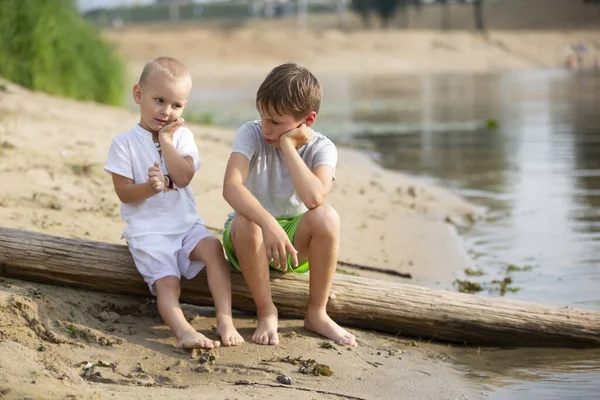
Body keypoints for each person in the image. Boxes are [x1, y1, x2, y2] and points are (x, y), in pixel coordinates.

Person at [104, 57, 243, 349]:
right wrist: (149, 188)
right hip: (149, 231)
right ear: (138, 95)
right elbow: (123, 192)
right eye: (159, 100)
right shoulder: (124, 143)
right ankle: (183, 331)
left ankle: (225, 318)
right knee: (168, 283)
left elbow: (184, 177)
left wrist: (166, 140)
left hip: (185, 225)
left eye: (176, 105)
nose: (167, 111)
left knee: (214, 249)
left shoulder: (181, 137)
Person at [222, 63, 356, 347]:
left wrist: (287, 147)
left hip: (293, 246)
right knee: (246, 222)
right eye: (262, 117)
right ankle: (266, 309)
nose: (266, 128)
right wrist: (268, 224)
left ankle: (317, 313)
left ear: (308, 120)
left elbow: (315, 198)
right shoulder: (251, 133)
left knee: (327, 217)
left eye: (276, 122)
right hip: (249, 236)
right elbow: (231, 187)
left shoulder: (323, 147)